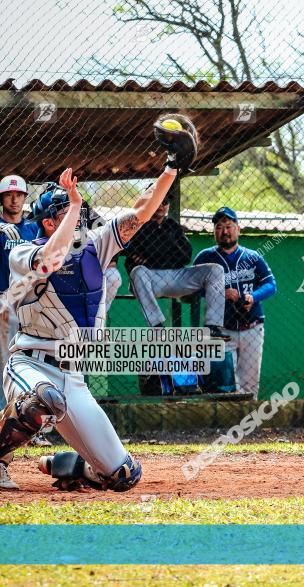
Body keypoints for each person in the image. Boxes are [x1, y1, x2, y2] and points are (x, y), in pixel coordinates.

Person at [0, 111, 192, 491]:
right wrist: (72, 205)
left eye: (81, 212)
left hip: (74, 377)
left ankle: (69, 465)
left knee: (123, 476)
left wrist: (171, 168)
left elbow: (141, 212)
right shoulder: (22, 252)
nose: (81, 218)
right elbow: (51, 260)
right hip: (30, 365)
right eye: (68, 213)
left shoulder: (94, 246)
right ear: (49, 223)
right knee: (43, 402)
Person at [193, 207, 277, 398]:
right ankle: (225, 424)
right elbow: (191, 289)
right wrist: (220, 292)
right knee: (225, 386)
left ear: (238, 229)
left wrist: (252, 297)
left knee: (249, 386)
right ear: (214, 231)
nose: (224, 231)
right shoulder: (205, 258)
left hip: (252, 327)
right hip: (222, 330)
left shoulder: (252, 257)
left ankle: (248, 424)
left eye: (229, 226)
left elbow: (271, 284)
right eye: (219, 226)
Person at [124, 191, 225, 337]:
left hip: (177, 276)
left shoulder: (172, 225)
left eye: (165, 202)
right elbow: (131, 258)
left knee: (215, 269)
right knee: (137, 272)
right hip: (150, 280)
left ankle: (213, 327)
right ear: (150, 201)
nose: (161, 206)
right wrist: (169, 252)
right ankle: (157, 327)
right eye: (158, 200)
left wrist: (150, 257)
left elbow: (186, 255)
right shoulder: (137, 225)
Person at [0, 176, 40, 374]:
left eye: (18, 195)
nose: (14, 200)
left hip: (31, 300)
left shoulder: (33, 228)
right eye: (8, 195)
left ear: (25, 197)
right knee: (5, 360)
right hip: (4, 300)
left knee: (31, 358)